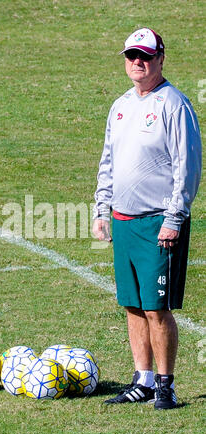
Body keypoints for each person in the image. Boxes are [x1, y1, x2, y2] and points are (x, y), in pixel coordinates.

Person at [92, 28, 202, 410]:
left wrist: (175, 218)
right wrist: (100, 209)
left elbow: (187, 168)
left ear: (160, 59)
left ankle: (166, 387)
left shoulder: (174, 105)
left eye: (145, 56)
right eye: (131, 56)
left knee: (157, 307)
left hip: (158, 222)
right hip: (123, 220)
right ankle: (143, 380)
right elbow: (108, 161)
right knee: (133, 305)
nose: (137, 62)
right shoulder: (120, 105)